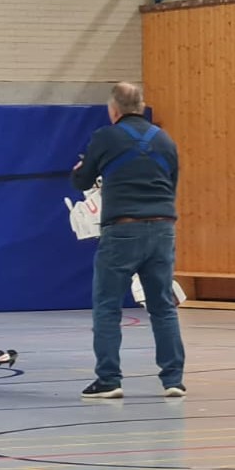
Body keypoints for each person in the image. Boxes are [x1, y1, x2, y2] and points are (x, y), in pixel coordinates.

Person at [71, 82, 186, 399]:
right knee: (162, 306)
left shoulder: (106, 137)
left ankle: (109, 380)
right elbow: (172, 183)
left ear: (114, 110)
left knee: (107, 307)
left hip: (122, 230)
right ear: (141, 106)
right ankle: (173, 379)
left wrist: (80, 169)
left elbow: (82, 179)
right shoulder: (165, 140)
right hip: (163, 229)